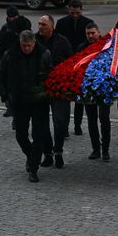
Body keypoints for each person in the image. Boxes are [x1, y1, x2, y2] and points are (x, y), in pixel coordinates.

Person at [0, 30, 52, 183]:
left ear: (34, 43)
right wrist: (5, 96)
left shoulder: (44, 54)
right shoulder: (10, 54)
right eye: (24, 46)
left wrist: (47, 93)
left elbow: (51, 75)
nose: (27, 48)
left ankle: (33, 168)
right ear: (20, 43)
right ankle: (31, 155)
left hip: (40, 102)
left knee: (39, 135)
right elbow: (0, 74)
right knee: (20, 135)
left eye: (29, 45)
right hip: (19, 101)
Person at [36, 15, 73, 169]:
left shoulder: (62, 41)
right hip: (41, 89)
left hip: (59, 89)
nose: (40, 27)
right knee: (41, 123)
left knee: (60, 122)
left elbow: (72, 63)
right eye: (39, 24)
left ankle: (58, 150)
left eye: (43, 24)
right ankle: (48, 153)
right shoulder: (34, 40)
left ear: (52, 26)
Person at [55, 0, 94, 136]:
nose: (75, 15)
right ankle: (64, 128)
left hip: (81, 63)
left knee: (79, 99)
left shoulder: (87, 22)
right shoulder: (61, 23)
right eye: (73, 12)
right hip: (66, 63)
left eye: (77, 12)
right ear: (68, 9)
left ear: (81, 10)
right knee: (65, 98)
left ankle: (77, 125)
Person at [77, 23, 112, 161]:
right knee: (91, 120)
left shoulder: (107, 46)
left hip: (104, 89)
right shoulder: (82, 47)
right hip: (89, 89)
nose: (90, 36)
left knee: (104, 119)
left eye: (93, 33)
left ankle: (105, 150)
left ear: (99, 32)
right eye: (88, 34)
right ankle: (96, 148)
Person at [0, 5, 32, 118]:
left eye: (14, 16)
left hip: (21, 61)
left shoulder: (23, 26)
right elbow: (0, 46)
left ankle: (16, 112)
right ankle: (10, 107)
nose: (12, 19)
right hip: (8, 60)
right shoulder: (5, 28)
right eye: (10, 17)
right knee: (7, 86)